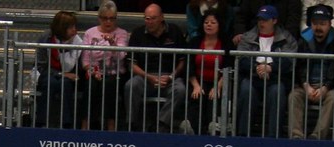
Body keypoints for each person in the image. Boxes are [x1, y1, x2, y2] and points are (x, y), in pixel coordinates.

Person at [124, 3, 189, 133]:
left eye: (153, 18)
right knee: (131, 85)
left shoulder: (175, 31)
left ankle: (161, 123)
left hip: (169, 77)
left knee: (180, 89)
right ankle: (131, 125)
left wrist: (171, 76)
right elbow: (132, 64)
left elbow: (183, 60)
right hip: (145, 76)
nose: (150, 22)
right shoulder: (138, 33)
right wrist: (148, 77)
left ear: (162, 18)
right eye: (147, 18)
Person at [236, 5, 298, 137]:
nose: (261, 23)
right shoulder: (248, 36)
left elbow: (290, 61)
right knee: (246, 89)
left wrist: (270, 67)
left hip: (275, 78)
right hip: (252, 77)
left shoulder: (287, 38)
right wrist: (256, 67)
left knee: (277, 91)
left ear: (274, 21)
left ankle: (274, 135)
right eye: (259, 20)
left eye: (265, 20)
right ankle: (242, 134)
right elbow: (241, 58)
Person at [288, 4, 334, 140]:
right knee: (294, 96)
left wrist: (325, 87)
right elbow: (298, 68)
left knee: (333, 97)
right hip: (306, 85)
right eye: (315, 23)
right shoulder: (303, 42)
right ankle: (296, 136)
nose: (318, 28)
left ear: (330, 24)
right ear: (310, 25)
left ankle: (317, 136)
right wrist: (306, 85)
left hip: (328, 87)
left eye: (323, 24)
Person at [80, 1, 129, 131]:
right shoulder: (89, 33)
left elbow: (122, 57)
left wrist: (113, 44)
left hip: (115, 74)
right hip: (93, 73)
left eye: (112, 18)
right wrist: (92, 70)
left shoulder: (122, 34)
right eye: (105, 18)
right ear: (99, 18)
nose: (108, 22)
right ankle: (85, 126)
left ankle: (110, 126)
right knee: (90, 86)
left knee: (110, 85)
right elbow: (85, 59)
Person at [34, 10, 83, 129]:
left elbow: (70, 67)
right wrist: (62, 74)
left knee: (64, 83)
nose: (74, 31)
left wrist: (65, 49)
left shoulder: (77, 41)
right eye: (71, 27)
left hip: (67, 76)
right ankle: (41, 123)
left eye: (75, 27)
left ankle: (67, 124)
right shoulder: (46, 38)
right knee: (50, 82)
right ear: (61, 28)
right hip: (46, 73)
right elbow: (41, 66)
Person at [186, 10, 229, 135]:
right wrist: (195, 85)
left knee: (214, 97)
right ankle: (194, 129)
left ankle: (213, 127)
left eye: (213, 22)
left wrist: (218, 86)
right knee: (197, 95)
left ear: (219, 25)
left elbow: (228, 67)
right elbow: (189, 65)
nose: (209, 25)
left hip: (219, 81)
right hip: (198, 80)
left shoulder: (225, 43)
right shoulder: (195, 42)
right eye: (206, 22)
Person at [233, 0, 303, 43]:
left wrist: (286, 40)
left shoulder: (293, 2)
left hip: (281, 39)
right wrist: (239, 33)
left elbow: (293, 22)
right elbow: (241, 16)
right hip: (253, 38)